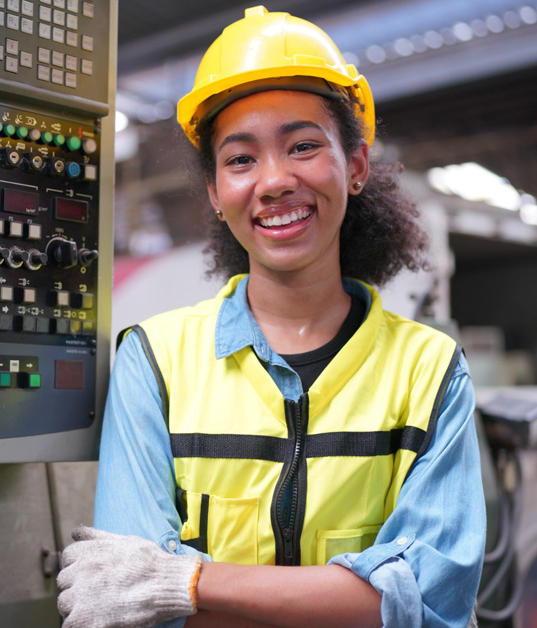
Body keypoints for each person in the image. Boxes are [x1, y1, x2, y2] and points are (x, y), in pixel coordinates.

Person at [56, 7, 485, 628]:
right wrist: (361, 602)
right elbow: (126, 605)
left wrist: (189, 581)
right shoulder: (155, 361)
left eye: (303, 147)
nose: (275, 181)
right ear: (214, 191)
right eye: (240, 159)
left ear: (356, 166)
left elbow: (433, 602)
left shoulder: (430, 373)